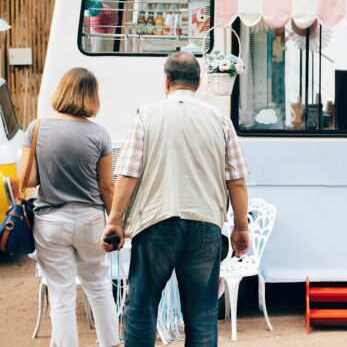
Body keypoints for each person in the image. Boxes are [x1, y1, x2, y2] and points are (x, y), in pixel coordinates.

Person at [103, 51, 250, 347]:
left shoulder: (146, 116)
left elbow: (128, 174)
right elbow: (236, 180)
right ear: (199, 82)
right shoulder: (220, 121)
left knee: (142, 307)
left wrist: (115, 221)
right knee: (202, 313)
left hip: (156, 223)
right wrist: (241, 227)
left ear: (167, 81)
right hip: (205, 226)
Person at [23, 67, 120, 347]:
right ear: (92, 96)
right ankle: (111, 343)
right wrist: (116, 222)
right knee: (99, 287)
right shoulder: (99, 134)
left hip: (51, 220)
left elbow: (27, 180)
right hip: (91, 220)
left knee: (61, 295)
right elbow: (107, 187)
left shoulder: (36, 128)